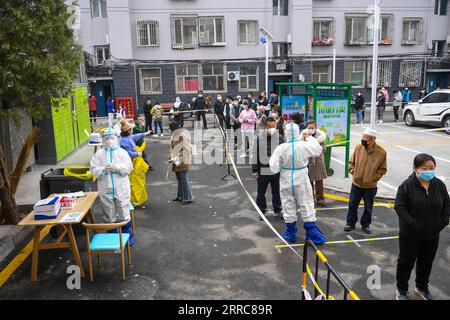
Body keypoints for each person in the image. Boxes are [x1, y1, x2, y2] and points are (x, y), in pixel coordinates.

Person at [394, 154, 449, 300]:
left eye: (432, 168)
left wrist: (443, 221)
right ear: (415, 169)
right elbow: (399, 207)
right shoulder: (406, 185)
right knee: (406, 262)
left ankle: (422, 288)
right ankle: (401, 290)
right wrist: (412, 224)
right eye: (424, 168)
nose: (428, 171)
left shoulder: (439, 185)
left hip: (432, 234)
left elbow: (447, 204)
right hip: (410, 235)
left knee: (426, 262)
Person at [269, 123, 327, 244]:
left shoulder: (281, 148)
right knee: (306, 203)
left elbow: (273, 167)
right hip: (301, 177)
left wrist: (282, 167)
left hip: (286, 178)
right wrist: (309, 137)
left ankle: (291, 233)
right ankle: (312, 234)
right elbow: (318, 150)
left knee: (287, 203)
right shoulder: (304, 145)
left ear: (286, 133)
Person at [90, 127, 134, 244]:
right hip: (105, 186)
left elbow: (129, 168)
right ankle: (112, 235)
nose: (109, 140)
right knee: (108, 210)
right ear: (103, 139)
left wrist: (118, 168)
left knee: (123, 209)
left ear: (116, 138)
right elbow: (93, 169)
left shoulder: (122, 153)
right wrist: (103, 169)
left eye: (111, 138)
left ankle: (126, 234)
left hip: (121, 186)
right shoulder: (98, 154)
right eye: (107, 138)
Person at [345, 127, 387, 234]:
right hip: (356, 183)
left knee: (368, 207)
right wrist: (353, 171)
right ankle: (350, 223)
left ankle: (366, 224)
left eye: (366, 138)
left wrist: (373, 178)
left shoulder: (381, 152)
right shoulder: (359, 148)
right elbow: (351, 161)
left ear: (373, 139)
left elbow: (383, 169)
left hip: (370, 186)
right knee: (352, 204)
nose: (363, 140)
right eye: (363, 137)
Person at [252, 117, 284, 220]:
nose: (272, 129)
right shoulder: (258, 138)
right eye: (270, 127)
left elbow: (284, 154)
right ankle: (261, 211)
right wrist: (255, 170)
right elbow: (255, 155)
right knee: (261, 192)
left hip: (276, 170)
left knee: (276, 191)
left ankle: (278, 210)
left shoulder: (279, 138)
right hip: (262, 170)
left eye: (274, 127)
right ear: (265, 127)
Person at [302, 121, 327, 206]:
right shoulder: (303, 136)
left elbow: (324, 148)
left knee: (319, 181)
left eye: (312, 128)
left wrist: (316, 149)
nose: (311, 129)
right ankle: (310, 199)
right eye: (309, 127)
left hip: (317, 161)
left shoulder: (320, 136)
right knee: (308, 182)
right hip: (308, 161)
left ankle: (320, 199)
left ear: (315, 128)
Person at [169, 122, 193, 205]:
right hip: (178, 161)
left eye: (170, 129)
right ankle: (180, 196)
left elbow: (187, 149)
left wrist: (176, 156)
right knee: (180, 179)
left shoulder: (182, 136)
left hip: (182, 160)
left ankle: (187, 197)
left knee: (183, 179)